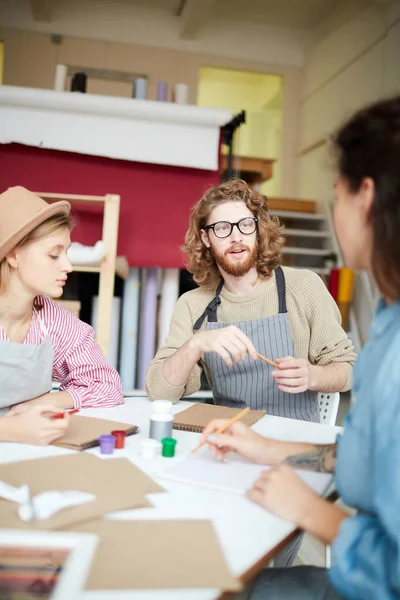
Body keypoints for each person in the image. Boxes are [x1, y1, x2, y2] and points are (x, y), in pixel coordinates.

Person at [203, 96, 400, 599]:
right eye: (221, 228)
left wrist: (313, 512)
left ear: (366, 197)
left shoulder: (308, 290)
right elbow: (364, 458)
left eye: (336, 192)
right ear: (205, 240)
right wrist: (270, 448)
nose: (334, 210)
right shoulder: (388, 321)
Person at [146, 178, 355, 424]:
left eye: (245, 225)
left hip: (294, 440)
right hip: (229, 438)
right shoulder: (193, 305)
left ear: (257, 231)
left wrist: (313, 376)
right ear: (206, 238)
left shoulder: (303, 286)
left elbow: (348, 370)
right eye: (222, 228)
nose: (236, 237)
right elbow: (160, 393)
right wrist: (196, 344)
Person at [0, 186, 123, 446]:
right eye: (53, 254)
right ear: (13, 255)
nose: (67, 266)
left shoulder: (51, 321)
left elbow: (107, 385)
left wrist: (42, 402)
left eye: (66, 253)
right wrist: (8, 429)